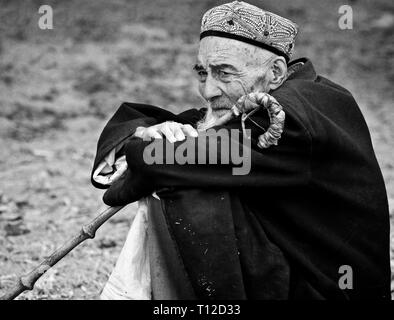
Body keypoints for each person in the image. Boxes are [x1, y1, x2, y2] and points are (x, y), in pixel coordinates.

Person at [91, 1, 391, 299]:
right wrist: (146, 132)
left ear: (275, 72)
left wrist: (146, 154)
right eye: (202, 73)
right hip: (302, 275)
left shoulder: (290, 118)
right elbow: (171, 129)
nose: (208, 90)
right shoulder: (289, 93)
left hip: (325, 292)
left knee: (190, 184)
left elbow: (165, 160)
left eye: (224, 74)